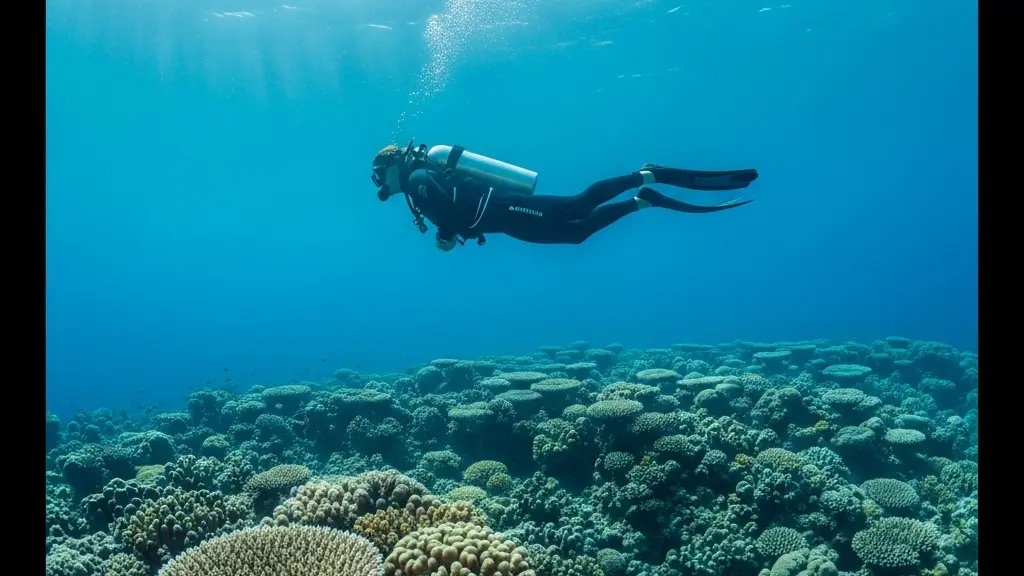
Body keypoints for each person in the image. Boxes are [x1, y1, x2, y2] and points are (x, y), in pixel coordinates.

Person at [371, 140, 758, 250]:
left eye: (378, 175)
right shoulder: (417, 185)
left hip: (502, 207)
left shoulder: (419, 179)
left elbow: (448, 213)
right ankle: (644, 201)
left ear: (392, 165)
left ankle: (646, 175)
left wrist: (444, 236)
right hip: (503, 221)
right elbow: (450, 213)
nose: (380, 185)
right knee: (576, 234)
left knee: (576, 206)